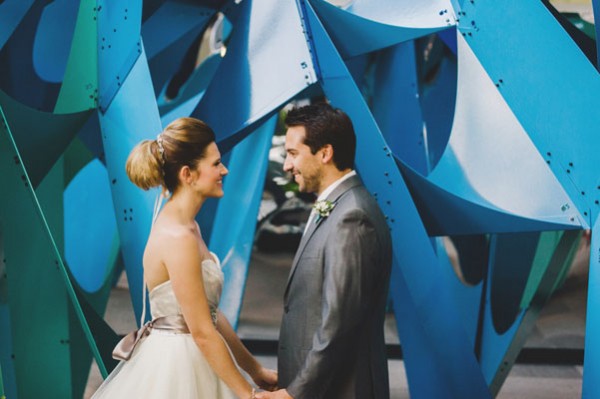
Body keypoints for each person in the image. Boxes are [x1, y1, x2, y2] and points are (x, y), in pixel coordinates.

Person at [93, 117, 277, 399]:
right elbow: (202, 331)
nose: (224, 170)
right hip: (178, 368)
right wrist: (248, 395)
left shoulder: (188, 227)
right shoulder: (177, 237)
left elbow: (210, 315)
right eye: (215, 163)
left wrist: (255, 370)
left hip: (192, 357)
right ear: (187, 174)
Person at [256, 103, 393, 399]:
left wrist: (295, 392)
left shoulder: (352, 217)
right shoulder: (339, 206)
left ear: (325, 153)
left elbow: (339, 323)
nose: (287, 165)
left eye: (293, 154)